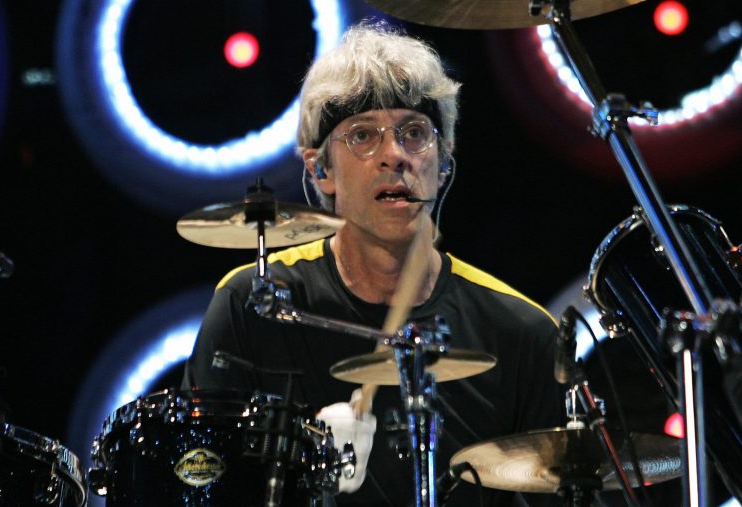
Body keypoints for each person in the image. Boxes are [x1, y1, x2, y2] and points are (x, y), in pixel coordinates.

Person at [183, 22, 564, 506]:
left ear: (443, 161)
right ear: (319, 170)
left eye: (414, 134)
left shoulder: (522, 333)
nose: (394, 155)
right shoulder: (252, 304)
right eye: (363, 135)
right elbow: (197, 483)